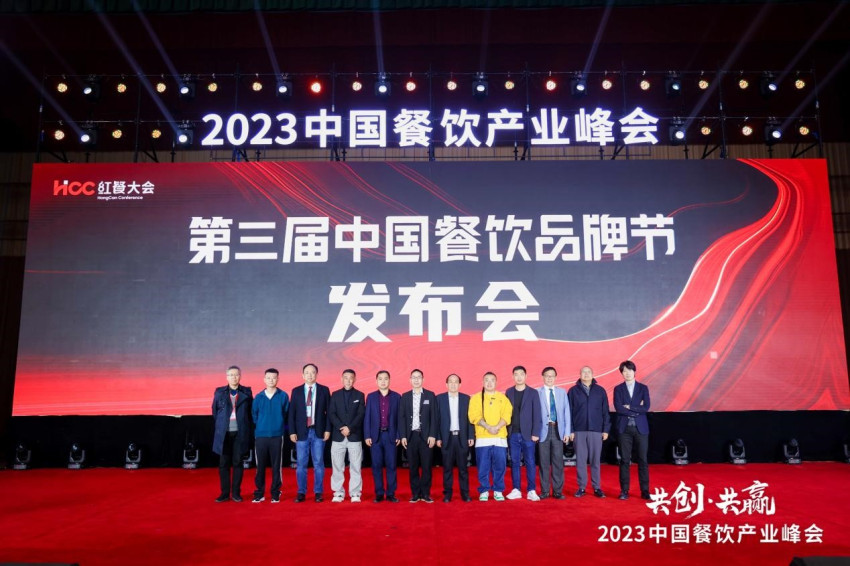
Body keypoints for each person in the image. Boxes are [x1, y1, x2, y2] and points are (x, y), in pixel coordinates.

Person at [288, 363, 331, 502]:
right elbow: (292, 413)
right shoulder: (296, 391)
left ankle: (318, 492)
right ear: (302, 375)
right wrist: (292, 431)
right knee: (301, 464)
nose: (310, 375)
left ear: (317, 374)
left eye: (312, 372)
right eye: (307, 372)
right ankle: (301, 492)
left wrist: (327, 429)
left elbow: (329, 412)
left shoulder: (324, 390)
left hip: (318, 431)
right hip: (302, 432)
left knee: (318, 463)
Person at [468, 371, 512, 502]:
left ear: (496, 382)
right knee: (483, 466)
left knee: (500, 466)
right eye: (486, 380)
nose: (489, 383)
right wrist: (488, 427)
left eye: (492, 380)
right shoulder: (476, 398)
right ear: (482, 382)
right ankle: (484, 490)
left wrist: (497, 427)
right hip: (483, 438)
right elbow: (474, 416)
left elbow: (507, 415)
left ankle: (498, 490)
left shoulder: (503, 398)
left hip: (500, 438)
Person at [212, 365, 253, 503]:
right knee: (223, 463)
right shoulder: (219, 392)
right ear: (227, 377)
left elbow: (250, 413)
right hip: (224, 433)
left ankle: (236, 493)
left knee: (238, 463)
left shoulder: (246, 392)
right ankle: (224, 493)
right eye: (231, 375)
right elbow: (215, 411)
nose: (234, 377)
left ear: (240, 376)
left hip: (240, 433)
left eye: (236, 375)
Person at [568, 366, 611, 498]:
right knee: (580, 461)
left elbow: (605, 411)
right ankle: (581, 487)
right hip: (579, 431)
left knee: (595, 461)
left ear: (592, 374)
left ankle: (597, 487)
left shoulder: (600, 391)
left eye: (588, 372)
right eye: (583, 372)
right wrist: (571, 430)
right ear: (579, 374)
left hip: (596, 430)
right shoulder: (573, 391)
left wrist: (605, 429)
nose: (586, 374)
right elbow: (568, 412)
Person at [613, 360, 651, 500]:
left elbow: (646, 407)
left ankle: (645, 490)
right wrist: (636, 409)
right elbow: (618, 408)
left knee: (643, 460)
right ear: (621, 373)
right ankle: (624, 491)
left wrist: (630, 407)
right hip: (624, 429)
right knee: (624, 460)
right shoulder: (618, 389)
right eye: (624, 371)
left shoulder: (643, 388)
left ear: (634, 371)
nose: (627, 373)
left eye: (629, 370)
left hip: (641, 428)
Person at [399, 368, 438, 503]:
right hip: (410, 437)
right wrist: (403, 435)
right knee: (413, 467)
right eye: (414, 377)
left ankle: (426, 494)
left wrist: (433, 435)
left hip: (426, 437)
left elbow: (434, 417)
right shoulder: (405, 396)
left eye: (419, 377)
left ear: (423, 379)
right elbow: (401, 417)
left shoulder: (430, 395)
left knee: (427, 467)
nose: (416, 380)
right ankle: (415, 494)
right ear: (410, 380)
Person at [251, 368, 289, 503]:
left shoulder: (283, 396)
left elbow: (286, 413)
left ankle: (275, 492)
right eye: (268, 377)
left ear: (278, 379)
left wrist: (278, 426)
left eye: (274, 377)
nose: (271, 380)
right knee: (260, 466)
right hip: (260, 436)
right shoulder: (258, 397)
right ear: (264, 379)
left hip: (277, 436)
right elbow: (254, 415)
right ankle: (259, 493)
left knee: (276, 465)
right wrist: (262, 426)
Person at [504, 365, 542, 501]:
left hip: (528, 434)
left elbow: (537, 414)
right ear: (513, 376)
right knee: (514, 462)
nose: (519, 377)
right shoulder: (509, 392)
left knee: (530, 462)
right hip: (513, 433)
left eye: (521, 374)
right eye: (516, 374)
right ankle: (516, 489)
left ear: (526, 376)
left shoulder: (533, 392)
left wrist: (535, 432)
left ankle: (531, 490)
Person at [435, 373, 475, 502]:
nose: (453, 384)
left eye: (456, 381)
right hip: (446, 438)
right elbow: (437, 420)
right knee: (447, 468)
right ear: (446, 384)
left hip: (462, 438)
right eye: (450, 382)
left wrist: (470, 435)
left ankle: (465, 494)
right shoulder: (439, 399)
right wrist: (438, 437)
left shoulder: (466, 398)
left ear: (460, 384)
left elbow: (470, 419)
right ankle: (447, 494)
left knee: (463, 468)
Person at [329, 368, 366, 503]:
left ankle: (355, 492)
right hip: (338, 436)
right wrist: (341, 427)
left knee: (355, 466)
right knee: (337, 466)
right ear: (341, 379)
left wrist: (350, 428)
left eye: (351, 378)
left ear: (354, 379)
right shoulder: (335, 395)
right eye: (346, 377)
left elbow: (361, 414)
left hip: (354, 436)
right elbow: (331, 413)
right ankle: (338, 492)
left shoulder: (360, 395)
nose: (348, 380)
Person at [364, 370, 401, 503]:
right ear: (376, 381)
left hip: (391, 436)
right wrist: (367, 435)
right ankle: (379, 493)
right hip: (376, 436)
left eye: (386, 379)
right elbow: (367, 417)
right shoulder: (371, 397)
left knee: (391, 465)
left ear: (389, 380)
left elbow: (400, 418)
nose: (383, 381)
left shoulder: (397, 397)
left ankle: (391, 493)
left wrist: (398, 434)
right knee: (376, 465)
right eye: (380, 379)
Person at [537, 366, 571, 500]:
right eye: (547, 375)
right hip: (543, 431)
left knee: (558, 462)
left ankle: (557, 491)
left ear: (556, 377)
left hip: (558, 430)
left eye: (552, 376)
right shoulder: (537, 392)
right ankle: (545, 491)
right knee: (543, 463)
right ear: (543, 377)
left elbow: (566, 413)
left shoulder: (562, 392)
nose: (549, 378)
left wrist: (567, 432)